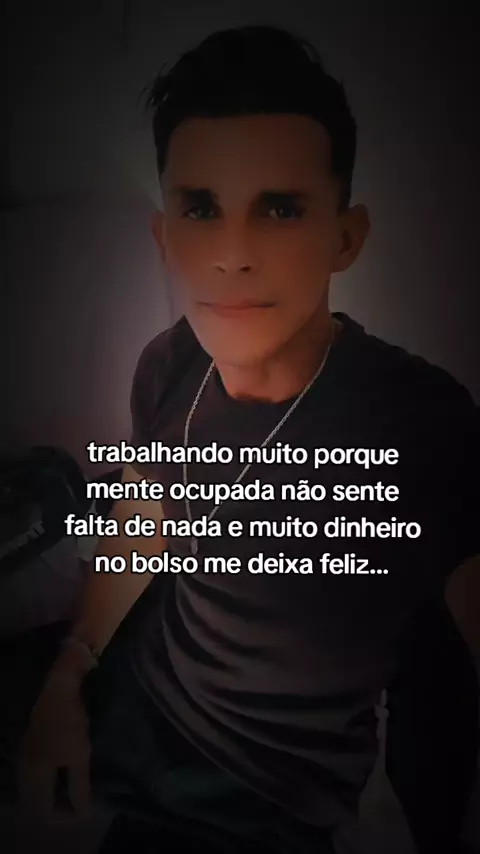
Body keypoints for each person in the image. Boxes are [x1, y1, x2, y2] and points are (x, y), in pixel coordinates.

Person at [15, 25, 480, 854]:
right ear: (166, 236)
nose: (231, 255)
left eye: (280, 208)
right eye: (201, 208)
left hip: (258, 796)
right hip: (132, 697)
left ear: (345, 236)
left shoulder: (421, 421)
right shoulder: (168, 364)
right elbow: (145, 516)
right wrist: (71, 670)